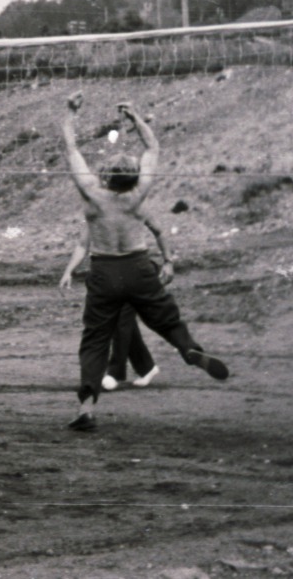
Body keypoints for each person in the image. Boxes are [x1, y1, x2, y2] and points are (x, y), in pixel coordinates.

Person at [59, 93, 228, 432]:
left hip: (105, 270)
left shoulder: (93, 194)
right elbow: (153, 150)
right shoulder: (139, 195)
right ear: (133, 177)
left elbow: (71, 149)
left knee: (95, 339)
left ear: (106, 176)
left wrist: (71, 112)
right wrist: (135, 117)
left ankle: (87, 406)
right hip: (138, 266)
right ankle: (189, 350)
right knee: (166, 319)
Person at [59, 225, 158, 391]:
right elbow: (83, 245)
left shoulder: (125, 213)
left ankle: (115, 373)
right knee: (124, 323)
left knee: (121, 322)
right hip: (107, 279)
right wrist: (68, 271)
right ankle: (147, 367)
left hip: (132, 274)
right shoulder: (95, 215)